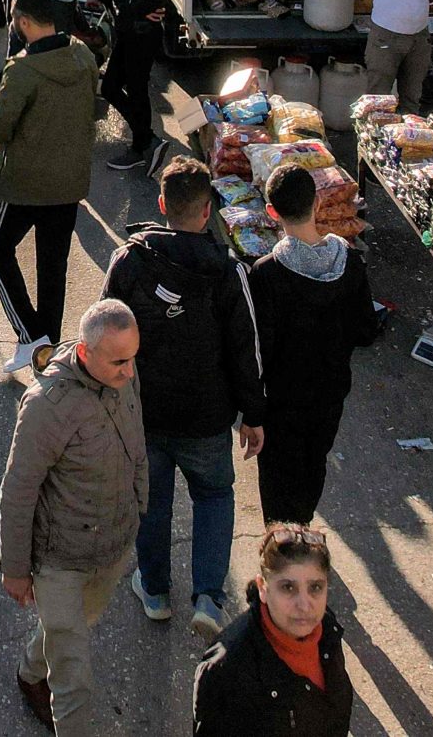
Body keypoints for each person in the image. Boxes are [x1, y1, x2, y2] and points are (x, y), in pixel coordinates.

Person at [103, 158, 264, 638]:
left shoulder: (130, 261)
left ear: (161, 206)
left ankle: (153, 590)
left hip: (144, 413)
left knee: (150, 501)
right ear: (207, 210)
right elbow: (245, 350)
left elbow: (101, 333)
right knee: (214, 495)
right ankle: (209, 598)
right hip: (208, 418)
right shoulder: (229, 272)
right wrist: (253, 416)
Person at [0, 298, 146, 737]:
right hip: (59, 560)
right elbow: (18, 491)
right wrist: (15, 569)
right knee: (73, 679)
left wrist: (140, 503)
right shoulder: (46, 405)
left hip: (111, 547)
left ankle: (29, 671)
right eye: (119, 361)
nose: (130, 372)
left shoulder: (123, 375)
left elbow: (135, 440)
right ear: (85, 353)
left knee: (76, 627)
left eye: (133, 358)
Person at [246, 164, 380, 532]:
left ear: (272, 212)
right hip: (329, 395)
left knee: (277, 481)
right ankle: (302, 529)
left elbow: (258, 349)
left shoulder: (266, 273)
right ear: (318, 202)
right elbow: (367, 331)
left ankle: (281, 546)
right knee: (313, 465)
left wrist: (250, 411)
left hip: (281, 403)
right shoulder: (349, 263)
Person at [0, 0, 102, 374]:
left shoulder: (23, 69)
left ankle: (31, 337)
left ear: (25, 22)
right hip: (68, 183)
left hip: (23, 183)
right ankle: (46, 353)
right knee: (53, 267)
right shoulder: (83, 55)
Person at [191, 526, 353, 737]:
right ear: (262, 588)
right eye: (288, 588)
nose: (304, 605)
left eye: (315, 587)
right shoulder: (227, 670)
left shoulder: (327, 631)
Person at [105, 0, 174, 173]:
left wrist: (136, 12)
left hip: (139, 34)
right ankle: (145, 139)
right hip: (131, 30)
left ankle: (142, 144)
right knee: (113, 86)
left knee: (133, 89)